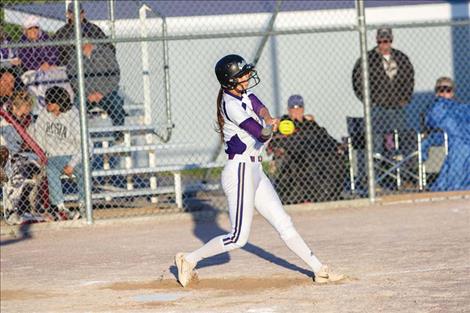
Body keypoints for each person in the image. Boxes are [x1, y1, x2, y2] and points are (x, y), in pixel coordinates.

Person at [174, 54, 344, 288]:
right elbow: (260, 134)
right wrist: (273, 129)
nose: (247, 77)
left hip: (254, 169)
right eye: (242, 75)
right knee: (237, 238)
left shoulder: (242, 94)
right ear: (230, 81)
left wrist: (269, 118)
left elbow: (259, 106)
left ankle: (319, 269)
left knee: (284, 222)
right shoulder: (231, 104)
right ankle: (189, 259)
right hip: (240, 170)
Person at [352, 27, 415, 190]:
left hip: (397, 108)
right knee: (376, 143)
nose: (383, 44)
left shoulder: (400, 58)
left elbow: (410, 78)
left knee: (401, 142)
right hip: (377, 108)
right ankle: (374, 181)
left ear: (391, 41)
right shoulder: (368, 59)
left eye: (386, 41)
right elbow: (357, 81)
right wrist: (369, 101)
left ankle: (405, 179)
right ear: (376, 41)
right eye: (380, 41)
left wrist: (405, 99)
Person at [268, 94, 345, 204]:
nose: (296, 111)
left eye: (299, 107)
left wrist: (338, 146)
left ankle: (328, 194)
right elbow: (274, 141)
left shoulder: (309, 124)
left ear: (303, 109)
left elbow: (325, 138)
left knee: (335, 159)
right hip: (295, 157)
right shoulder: (284, 124)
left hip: (317, 157)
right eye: (293, 108)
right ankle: (300, 196)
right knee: (306, 161)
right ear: (288, 110)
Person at [28, 86, 84, 219]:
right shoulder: (44, 114)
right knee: (51, 167)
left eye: (50, 102)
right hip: (54, 156)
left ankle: (83, 204)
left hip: (75, 154)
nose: (47, 104)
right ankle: (59, 207)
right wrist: (42, 153)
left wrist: (72, 164)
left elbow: (85, 145)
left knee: (83, 171)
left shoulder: (74, 115)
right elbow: (39, 135)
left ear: (59, 103)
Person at [0, 91, 47, 223]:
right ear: (16, 107)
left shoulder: (23, 119)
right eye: (26, 108)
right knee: (18, 166)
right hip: (5, 157)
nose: (27, 111)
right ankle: (11, 211)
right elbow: (10, 149)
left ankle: (24, 208)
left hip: (13, 156)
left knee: (31, 164)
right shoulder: (5, 121)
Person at [66, 39, 125, 143]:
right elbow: (73, 80)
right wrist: (88, 94)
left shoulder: (105, 52)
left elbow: (115, 74)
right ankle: (79, 138)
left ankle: (118, 134)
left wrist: (102, 92)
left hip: (106, 93)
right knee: (76, 106)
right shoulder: (74, 57)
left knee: (116, 102)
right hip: (86, 95)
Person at [421, 77, 470, 191]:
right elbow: (444, 123)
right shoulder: (436, 107)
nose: (444, 93)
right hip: (442, 136)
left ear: (452, 93)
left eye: (447, 90)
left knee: (462, 143)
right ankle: (453, 183)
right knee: (462, 146)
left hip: (461, 136)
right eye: (441, 89)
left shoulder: (460, 107)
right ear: (436, 92)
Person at [54, 3, 114, 67]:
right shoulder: (62, 32)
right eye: (73, 12)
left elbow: (111, 48)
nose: (77, 15)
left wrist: (94, 47)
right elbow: (55, 55)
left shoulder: (93, 28)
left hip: (96, 67)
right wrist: (78, 51)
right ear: (67, 14)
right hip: (73, 68)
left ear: (84, 13)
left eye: (80, 12)